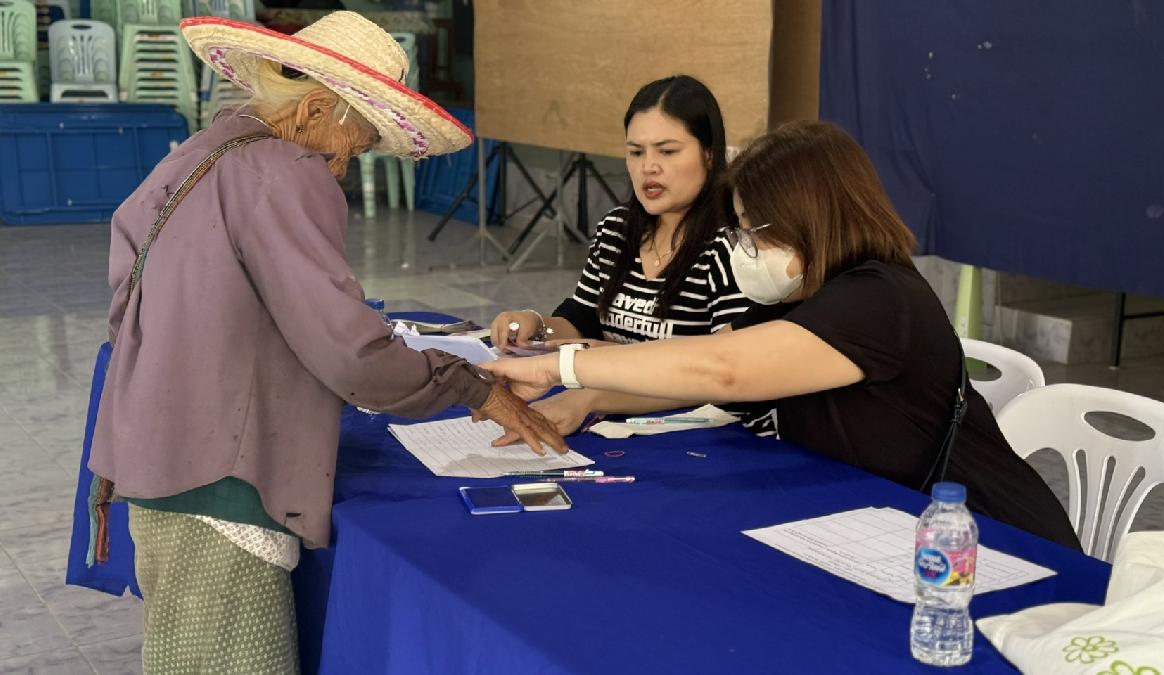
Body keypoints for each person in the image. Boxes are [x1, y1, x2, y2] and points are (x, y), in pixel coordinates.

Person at [88, 13, 563, 673]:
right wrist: (469, 384)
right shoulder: (284, 169)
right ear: (316, 109)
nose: (341, 167)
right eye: (352, 147)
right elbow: (349, 353)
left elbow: (132, 302)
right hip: (222, 480)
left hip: (153, 454)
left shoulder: (197, 154)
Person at [481, 121, 1081, 550]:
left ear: (809, 215)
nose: (744, 248)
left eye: (753, 230)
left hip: (988, 545)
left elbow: (723, 370)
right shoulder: (802, 295)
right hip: (884, 526)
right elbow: (706, 379)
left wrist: (560, 367)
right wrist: (586, 398)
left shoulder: (879, 299)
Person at [489, 75, 773, 438]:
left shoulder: (731, 246)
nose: (648, 167)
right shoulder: (616, 228)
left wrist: (593, 397)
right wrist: (534, 325)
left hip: (690, 433)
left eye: (667, 151)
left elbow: (719, 372)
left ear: (709, 154)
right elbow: (584, 318)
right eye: (636, 152)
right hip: (604, 420)